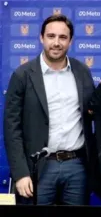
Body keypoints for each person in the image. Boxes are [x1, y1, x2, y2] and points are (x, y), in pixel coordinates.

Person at [3, 14, 95, 205]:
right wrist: (21, 174)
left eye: (63, 37)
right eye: (51, 36)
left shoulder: (82, 72)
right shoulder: (22, 75)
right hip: (38, 168)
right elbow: (12, 129)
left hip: (76, 167)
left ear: (70, 41)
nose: (56, 43)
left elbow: (97, 112)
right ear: (41, 38)